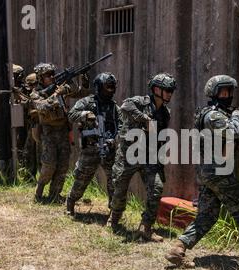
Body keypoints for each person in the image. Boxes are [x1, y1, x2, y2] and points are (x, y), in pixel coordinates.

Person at [165, 75, 239, 268]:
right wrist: (237, 118)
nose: (228, 95)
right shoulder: (213, 115)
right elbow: (232, 133)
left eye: (230, 92)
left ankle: (178, 248)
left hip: (209, 173)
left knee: (207, 216)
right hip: (218, 172)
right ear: (214, 93)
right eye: (223, 91)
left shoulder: (218, 114)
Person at [110, 73, 176, 241]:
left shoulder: (165, 113)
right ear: (156, 89)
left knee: (156, 189)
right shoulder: (140, 102)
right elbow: (125, 106)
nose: (170, 93)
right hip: (128, 155)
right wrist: (145, 119)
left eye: (171, 91)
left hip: (149, 157)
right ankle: (114, 219)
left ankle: (146, 227)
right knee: (119, 189)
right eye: (167, 90)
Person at [66, 72, 121, 216]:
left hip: (109, 149)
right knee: (82, 178)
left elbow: (122, 126)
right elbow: (71, 115)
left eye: (112, 87)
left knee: (114, 180)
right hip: (90, 148)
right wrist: (85, 115)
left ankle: (114, 212)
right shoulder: (87, 102)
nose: (110, 90)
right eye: (107, 87)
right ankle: (70, 203)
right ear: (99, 87)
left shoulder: (115, 108)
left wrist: (114, 140)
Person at [31, 63, 79, 203]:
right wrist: (56, 95)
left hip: (63, 130)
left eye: (53, 74)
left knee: (63, 164)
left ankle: (55, 194)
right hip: (48, 132)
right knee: (49, 164)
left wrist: (69, 81)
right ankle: (39, 192)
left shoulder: (59, 87)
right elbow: (42, 107)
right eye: (47, 75)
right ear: (40, 78)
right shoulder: (36, 93)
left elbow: (75, 90)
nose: (51, 77)